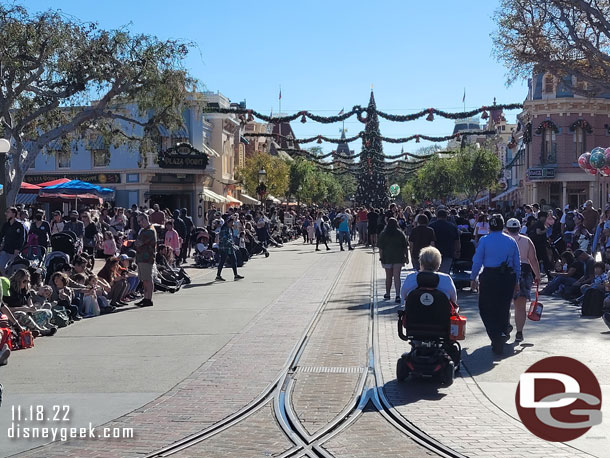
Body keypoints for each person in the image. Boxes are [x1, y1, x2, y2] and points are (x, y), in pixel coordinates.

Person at [470, 214, 520, 355]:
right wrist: (517, 281)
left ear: (490, 227)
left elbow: (477, 260)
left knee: (486, 307)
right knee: (503, 306)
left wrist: (473, 277)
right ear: (503, 225)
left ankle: (496, 334)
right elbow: (517, 263)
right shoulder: (511, 241)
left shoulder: (485, 240)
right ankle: (502, 329)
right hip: (507, 277)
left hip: (490, 276)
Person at [506, 218, 540, 342]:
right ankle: (519, 332)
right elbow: (533, 259)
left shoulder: (505, 240)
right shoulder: (527, 240)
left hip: (507, 272)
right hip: (524, 271)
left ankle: (506, 325)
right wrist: (537, 275)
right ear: (520, 228)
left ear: (507, 228)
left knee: (505, 304)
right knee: (520, 306)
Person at [378, 218, 409, 303]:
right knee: (397, 276)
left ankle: (387, 293)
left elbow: (380, 248)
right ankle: (398, 295)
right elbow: (405, 247)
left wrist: (381, 257)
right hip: (398, 257)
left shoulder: (383, 234)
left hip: (387, 257)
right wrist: (407, 257)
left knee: (388, 276)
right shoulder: (400, 233)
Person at [134, 213, 156, 307]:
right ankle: (146, 298)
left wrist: (136, 242)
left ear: (144, 219)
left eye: (140, 221)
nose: (139, 223)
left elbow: (138, 243)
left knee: (148, 279)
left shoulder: (149, 231)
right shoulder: (145, 230)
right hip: (142, 257)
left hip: (146, 257)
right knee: (145, 280)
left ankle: (148, 299)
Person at [428, 208, 460, 274]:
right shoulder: (453, 227)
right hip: (448, 252)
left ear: (437, 216)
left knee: (434, 273)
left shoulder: (431, 226)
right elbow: (457, 241)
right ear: (446, 216)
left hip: (434, 253)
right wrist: (457, 251)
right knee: (445, 273)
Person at [216, 217, 244, 281]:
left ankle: (235, 275)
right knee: (223, 261)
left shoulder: (229, 229)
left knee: (233, 260)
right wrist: (231, 244)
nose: (232, 224)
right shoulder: (224, 229)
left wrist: (232, 244)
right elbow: (225, 239)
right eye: (231, 223)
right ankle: (218, 275)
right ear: (228, 222)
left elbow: (230, 238)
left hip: (229, 247)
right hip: (225, 247)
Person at [0, 207, 26, 276]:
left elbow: (22, 238)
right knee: (1, 266)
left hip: (14, 251)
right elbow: (1, 236)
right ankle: (6, 279)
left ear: (14, 214)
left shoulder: (19, 225)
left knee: (11, 268)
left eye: (8, 212)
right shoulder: (6, 225)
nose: (6, 214)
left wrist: (18, 249)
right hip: (5, 249)